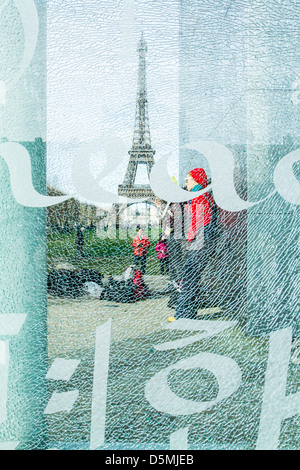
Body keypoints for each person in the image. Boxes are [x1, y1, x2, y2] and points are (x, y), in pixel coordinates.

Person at [168, 167, 215, 322]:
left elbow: (196, 221)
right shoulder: (204, 195)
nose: (186, 182)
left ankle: (183, 316)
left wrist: (189, 238)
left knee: (188, 278)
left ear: (195, 180)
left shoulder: (197, 196)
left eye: (188, 179)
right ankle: (188, 314)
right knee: (192, 278)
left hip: (200, 240)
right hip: (206, 239)